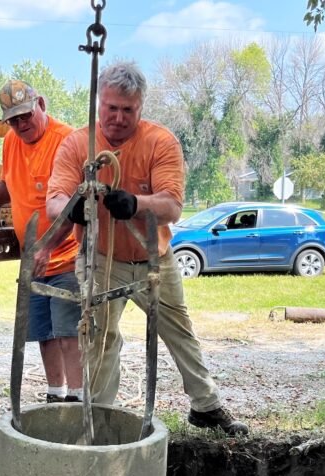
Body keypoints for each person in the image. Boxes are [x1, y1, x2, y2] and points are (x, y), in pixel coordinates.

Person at [45, 61, 248, 435]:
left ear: (140, 108)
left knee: (178, 329)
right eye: (111, 108)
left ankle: (206, 406)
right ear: (99, 104)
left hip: (155, 258)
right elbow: (54, 199)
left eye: (128, 110)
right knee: (101, 338)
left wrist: (136, 204)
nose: (119, 118)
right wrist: (71, 207)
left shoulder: (160, 142)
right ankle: (99, 419)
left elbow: (171, 205)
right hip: (102, 259)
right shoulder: (78, 144)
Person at [0, 80, 82, 403]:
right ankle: (56, 395)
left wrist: (49, 246)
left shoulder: (66, 141)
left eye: (25, 115)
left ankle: (79, 400)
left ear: (40, 104)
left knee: (69, 332)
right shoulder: (11, 142)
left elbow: (74, 206)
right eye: (13, 120)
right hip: (33, 258)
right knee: (43, 333)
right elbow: (8, 184)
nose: (21, 124)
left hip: (66, 255)